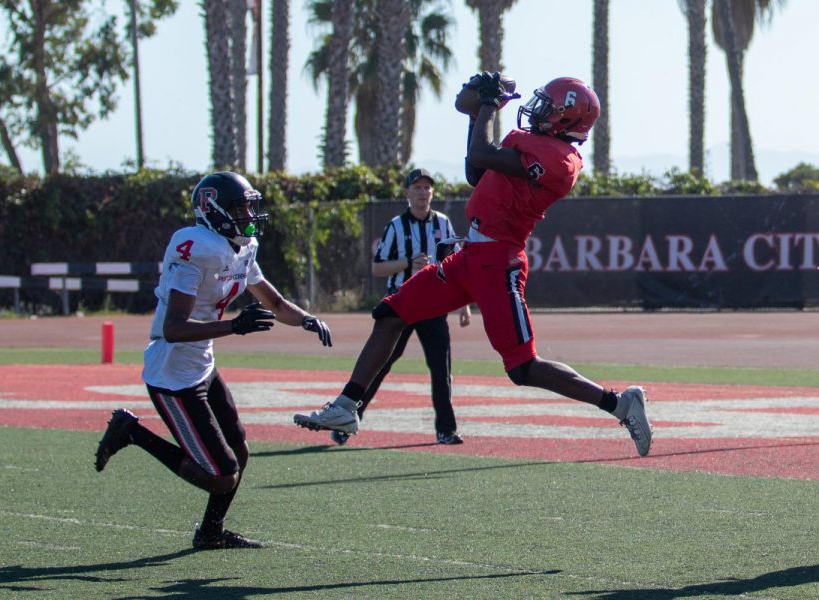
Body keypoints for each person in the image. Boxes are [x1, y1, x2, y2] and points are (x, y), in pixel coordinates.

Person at [294, 74, 653, 457]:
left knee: (522, 367)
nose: (539, 109)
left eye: (549, 107)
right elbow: (476, 171)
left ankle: (618, 403)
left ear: (566, 118)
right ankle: (348, 407)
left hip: (499, 262)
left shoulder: (561, 162)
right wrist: (476, 116)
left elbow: (482, 156)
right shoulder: (533, 143)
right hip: (469, 257)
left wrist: (486, 107)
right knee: (391, 312)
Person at [95, 171, 333, 550]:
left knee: (239, 451)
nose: (247, 215)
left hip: (202, 364)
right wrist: (234, 326)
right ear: (213, 210)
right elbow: (173, 327)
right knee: (220, 475)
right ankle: (132, 432)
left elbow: (273, 302)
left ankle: (210, 531)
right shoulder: (196, 247)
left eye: (248, 206)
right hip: (173, 372)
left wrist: (305, 319)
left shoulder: (240, 247)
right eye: (239, 207)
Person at [330, 168, 472, 446]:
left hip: (433, 306)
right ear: (407, 193)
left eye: (426, 188)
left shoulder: (443, 224)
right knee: (378, 366)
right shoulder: (396, 226)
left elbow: (457, 265)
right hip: (402, 306)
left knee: (441, 370)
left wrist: (463, 305)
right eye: (417, 188)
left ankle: (446, 430)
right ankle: (347, 421)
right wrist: (408, 263)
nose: (422, 193)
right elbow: (377, 268)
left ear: (432, 192)